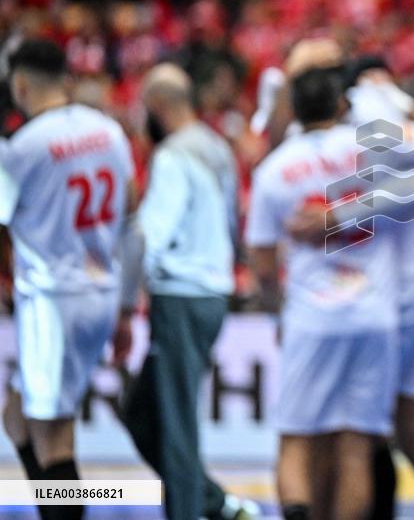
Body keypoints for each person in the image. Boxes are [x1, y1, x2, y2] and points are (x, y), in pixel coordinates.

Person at [246, 65, 414, 520]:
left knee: (302, 441)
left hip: (316, 312)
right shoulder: (369, 140)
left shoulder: (276, 168)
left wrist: (335, 218)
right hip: (381, 306)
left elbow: (262, 264)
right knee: (369, 443)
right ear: (341, 102)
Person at [0, 38, 137, 520]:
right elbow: (130, 205)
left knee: (53, 436)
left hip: (51, 298)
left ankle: (62, 512)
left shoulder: (21, 148)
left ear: (19, 85)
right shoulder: (109, 132)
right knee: (17, 413)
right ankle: (56, 505)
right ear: (68, 79)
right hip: (99, 288)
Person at [121, 63, 256, 520]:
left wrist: (125, 297)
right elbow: (234, 220)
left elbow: (150, 235)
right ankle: (217, 505)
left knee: (175, 424)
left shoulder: (173, 155)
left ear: (157, 107)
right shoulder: (216, 147)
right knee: (141, 413)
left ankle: (187, 512)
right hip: (211, 292)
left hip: (180, 294)